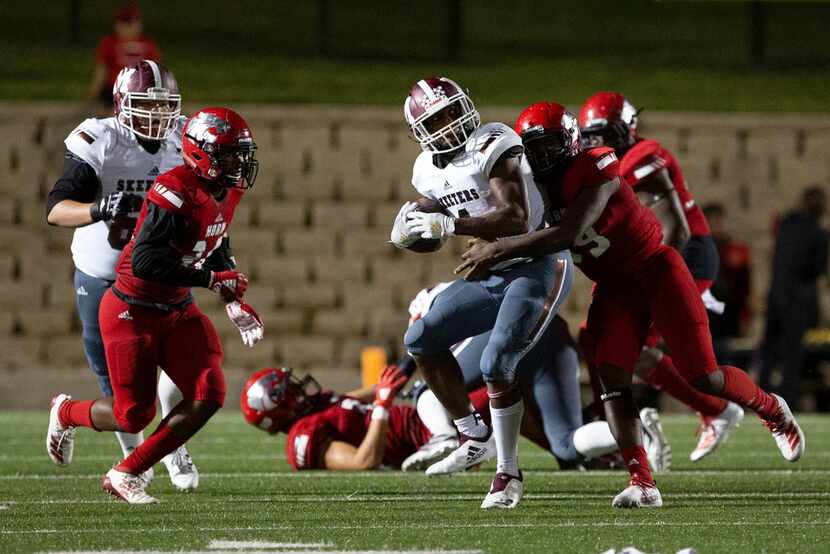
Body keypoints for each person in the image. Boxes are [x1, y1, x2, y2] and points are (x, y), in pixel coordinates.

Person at [457, 101, 805, 508]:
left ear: (570, 141)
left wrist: (496, 248)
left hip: (656, 270)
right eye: (534, 147)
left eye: (551, 144)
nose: (543, 155)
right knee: (611, 383)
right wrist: (453, 224)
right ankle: (643, 481)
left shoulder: (597, 162)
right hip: (614, 288)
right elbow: (509, 217)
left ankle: (772, 409)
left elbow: (571, 232)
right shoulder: (530, 187)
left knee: (703, 375)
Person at [45, 107, 265, 504]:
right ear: (202, 154)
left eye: (241, 154)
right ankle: (66, 412)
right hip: (132, 308)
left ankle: (125, 472)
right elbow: (146, 261)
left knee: (209, 390)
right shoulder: (174, 187)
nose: (239, 164)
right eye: (230, 155)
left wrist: (234, 297)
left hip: (176, 306)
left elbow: (216, 239)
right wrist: (212, 281)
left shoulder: (227, 188)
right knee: (133, 415)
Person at [391, 76, 573, 509]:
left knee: (496, 362)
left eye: (454, 110)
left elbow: (513, 215)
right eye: (439, 118)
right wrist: (410, 229)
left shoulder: (492, 140)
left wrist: (451, 225)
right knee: (420, 339)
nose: (452, 121)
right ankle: (474, 435)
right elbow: (437, 218)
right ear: (420, 129)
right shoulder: (425, 168)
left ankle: (507, 474)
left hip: (537, 264)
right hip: (491, 274)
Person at [46, 60, 200, 490]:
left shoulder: (184, 137)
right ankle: (132, 457)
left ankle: (170, 444)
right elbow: (55, 211)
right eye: (145, 105)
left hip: (161, 272)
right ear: (121, 104)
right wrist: (98, 210)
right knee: (125, 395)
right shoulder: (101, 139)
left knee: (188, 369)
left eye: (163, 106)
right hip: (105, 278)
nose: (156, 116)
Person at [578, 91, 743, 463]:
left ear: (625, 129)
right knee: (605, 342)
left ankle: (721, 409)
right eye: (589, 136)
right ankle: (711, 410)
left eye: (601, 134)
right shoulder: (604, 163)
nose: (595, 143)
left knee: (638, 349)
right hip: (645, 258)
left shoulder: (643, 155)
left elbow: (676, 229)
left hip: (682, 253)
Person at [406, 283, 670, 472]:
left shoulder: (436, 308)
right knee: (566, 444)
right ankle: (637, 434)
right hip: (551, 332)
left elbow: (422, 351)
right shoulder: (457, 296)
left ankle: (442, 437)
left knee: (428, 390)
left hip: (511, 329)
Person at [241, 366, 460, 471]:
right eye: (289, 386)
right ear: (282, 402)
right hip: (421, 441)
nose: (297, 385)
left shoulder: (317, 404)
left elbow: (379, 390)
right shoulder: (305, 432)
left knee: (441, 378)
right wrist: (382, 406)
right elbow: (362, 461)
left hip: (424, 420)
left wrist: (414, 357)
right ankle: (445, 439)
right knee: (426, 392)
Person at [759, 187, 828, 410]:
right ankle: (787, 401)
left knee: (769, 351)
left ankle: (760, 397)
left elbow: (778, 259)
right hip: (797, 299)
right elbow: (815, 269)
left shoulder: (787, 224)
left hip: (777, 294)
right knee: (791, 354)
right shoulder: (818, 233)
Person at [704, 202, 753, 361]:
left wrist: (745, 315)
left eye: (720, 221)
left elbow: (744, 288)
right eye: (713, 221)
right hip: (709, 318)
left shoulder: (735, 251)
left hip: (730, 317)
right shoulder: (698, 251)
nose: (718, 226)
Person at [88, 3, 161, 103]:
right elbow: (102, 70)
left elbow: (156, 70)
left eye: (132, 23)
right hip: (115, 89)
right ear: (117, 25)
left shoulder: (148, 43)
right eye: (125, 24)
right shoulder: (109, 43)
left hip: (142, 90)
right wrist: (94, 93)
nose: (129, 28)